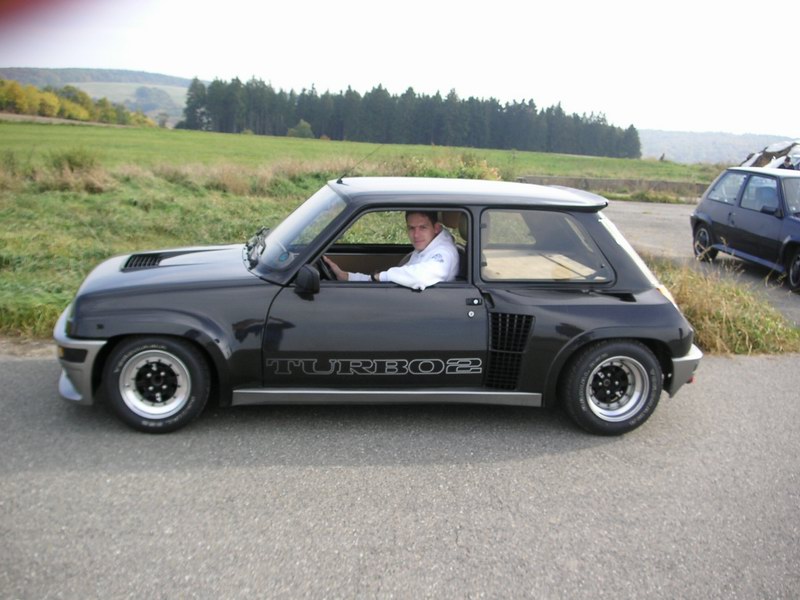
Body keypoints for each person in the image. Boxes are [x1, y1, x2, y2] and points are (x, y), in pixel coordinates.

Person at [323, 211, 460, 290]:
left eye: (422, 227)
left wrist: (380, 276)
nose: (416, 235)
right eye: (411, 228)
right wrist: (347, 277)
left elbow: (420, 278)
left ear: (436, 228)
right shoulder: (426, 248)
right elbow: (399, 277)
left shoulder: (444, 253)